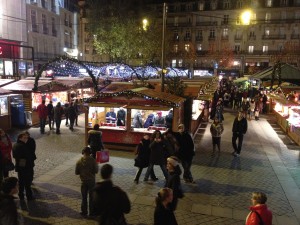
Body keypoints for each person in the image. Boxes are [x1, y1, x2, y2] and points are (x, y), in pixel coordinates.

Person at [75, 147, 98, 217]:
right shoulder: (93, 160)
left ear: (83, 152)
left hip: (83, 182)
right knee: (91, 197)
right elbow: (96, 171)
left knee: (84, 197)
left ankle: (84, 211)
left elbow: (76, 172)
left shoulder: (78, 161)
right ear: (90, 152)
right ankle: (92, 212)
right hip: (91, 182)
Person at [12, 133, 35, 200]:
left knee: (21, 181)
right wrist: (27, 166)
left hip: (19, 167)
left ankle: (21, 194)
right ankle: (29, 196)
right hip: (25, 167)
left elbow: (14, 156)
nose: (26, 139)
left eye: (26, 138)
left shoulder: (15, 145)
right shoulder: (22, 146)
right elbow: (25, 157)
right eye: (24, 138)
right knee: (27, 182)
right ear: (20, 138)